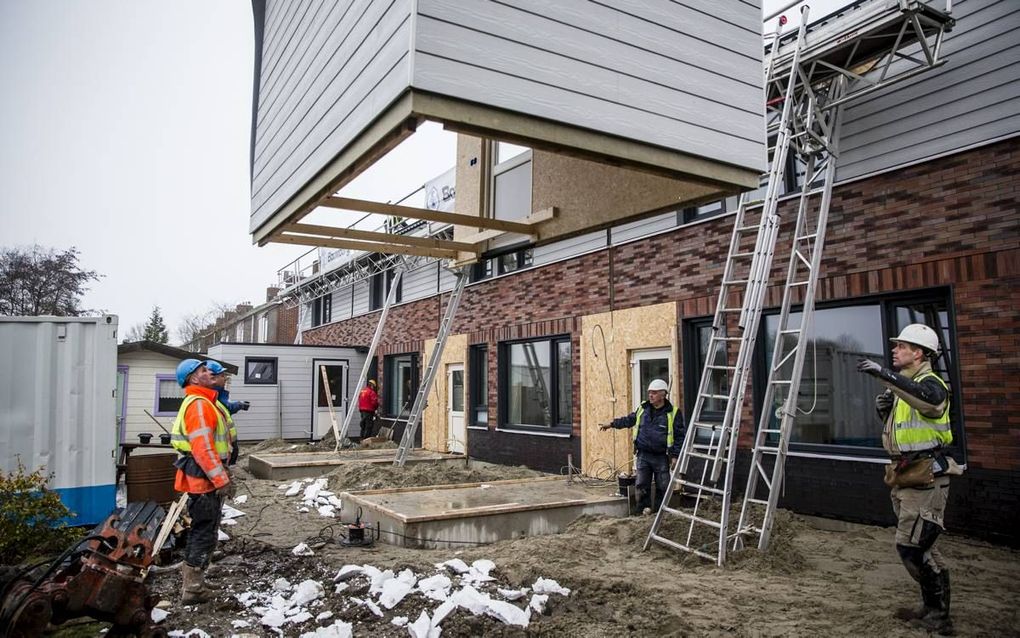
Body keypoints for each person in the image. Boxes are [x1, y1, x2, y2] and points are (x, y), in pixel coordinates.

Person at [857, 323, 957, 633]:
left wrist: (883, 374)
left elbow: (930, 401)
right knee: (923, 547)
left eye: (901, 346)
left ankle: (940, 617)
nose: (895, 350)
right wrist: (883, 411)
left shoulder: (931, 382)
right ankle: (931, 608)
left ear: (919, 353)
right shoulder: (902, 389)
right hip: (906, 476)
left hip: (926, 477)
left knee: (911, 547)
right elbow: (905, 430)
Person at [170, 358, 236, 605]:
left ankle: (197, 582)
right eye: (203, 370)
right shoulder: (198, 404)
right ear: (193, 378)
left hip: (205, 476)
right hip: (203, 479)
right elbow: (203, 449)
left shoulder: (206, 401)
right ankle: (193, 589)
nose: (209, 372)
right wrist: (221, 480)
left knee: (207, 530)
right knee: (203, 533)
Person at [600, 379, 683, 514]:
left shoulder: (673, 413)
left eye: (654, 393)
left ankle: (659, 513)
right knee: (641, 485)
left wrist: (675, 456)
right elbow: (629, 420)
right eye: (649, 392)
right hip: (643, 454)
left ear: (663, 395)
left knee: (663, 485)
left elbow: (679, 436)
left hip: (661, 456)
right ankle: (641, 511)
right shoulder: (643, 409)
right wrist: (611, 424)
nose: (651, 395)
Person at [205, 360, 249, 465]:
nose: (225, 378)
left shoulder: (217, 394)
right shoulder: (212, 396)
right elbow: (226, 407)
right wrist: (239, 405)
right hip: (220, 449)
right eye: (222, 376)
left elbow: (224, 410)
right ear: (212, 378)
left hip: (227, 442)